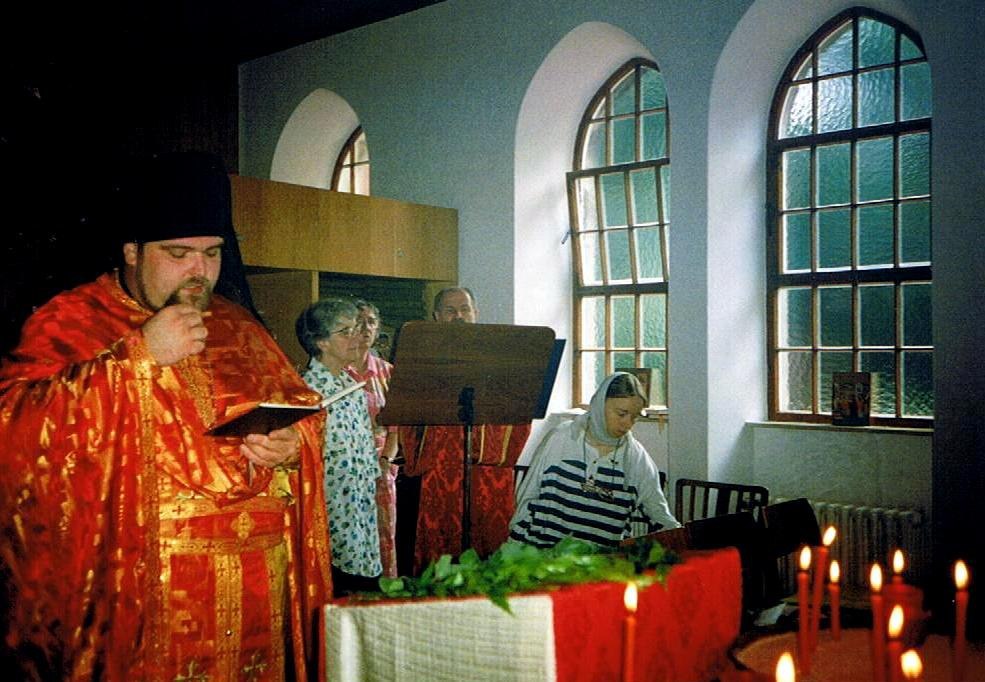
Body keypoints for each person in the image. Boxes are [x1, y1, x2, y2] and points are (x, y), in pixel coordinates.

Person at [0, 152, 333, 681]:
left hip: (256, 585)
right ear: (132, 251)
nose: (199, 271)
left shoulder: (239, 325)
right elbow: (15, 430)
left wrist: (294, 446)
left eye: (212, 253)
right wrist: (137, 358)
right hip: (142, 592)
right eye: (178, 253)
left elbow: (300, 413)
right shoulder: (70, 321)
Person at [399, 287, 531, 573]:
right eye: (450, 310)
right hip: (440, 466)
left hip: (487, 470)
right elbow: (407, 413)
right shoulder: (421, 359)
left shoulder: (502, 357)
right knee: (440, 550)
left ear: (475, 313)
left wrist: (487, 446)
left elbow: (520, 408)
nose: (458, 316)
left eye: (465, 309)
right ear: (436, 317)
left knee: (488, 549)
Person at [509, 372, 680, 548]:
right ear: (599, 404)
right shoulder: (560, 439)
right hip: (545, 555)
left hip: (600, 561)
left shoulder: (637, 459)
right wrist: (516, 547)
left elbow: (660, 516)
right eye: (621, 414)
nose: (628, 424)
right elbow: (527, 496)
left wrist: (681, 540)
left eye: (635, 417)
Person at [296, 298, 382, 594]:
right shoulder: (306, 393)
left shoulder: (353, 386)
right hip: (331, 514)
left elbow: (366, 452)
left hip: (360, 511)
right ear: (321, 342)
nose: (357, 337)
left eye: (356, 329)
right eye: (346, 332)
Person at [345, 299, 399, 578]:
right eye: (359, 322)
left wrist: (386, 460)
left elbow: (396, 426)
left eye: (371, 322)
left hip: (381, 465)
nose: (365, 328)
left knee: (384, 536)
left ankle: (385, 593)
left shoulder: (388, 372)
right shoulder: (337, 371)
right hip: (346, 469)